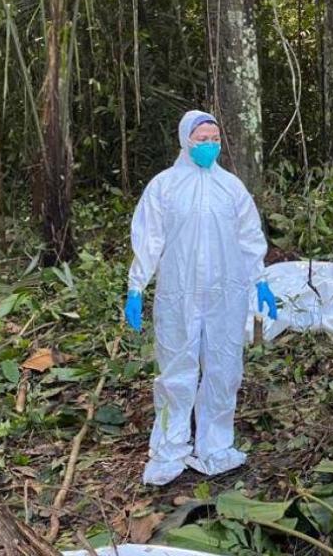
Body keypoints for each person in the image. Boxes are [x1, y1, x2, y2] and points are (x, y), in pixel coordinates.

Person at [123, 110, 279, 486]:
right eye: (201, 138)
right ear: (184, 140)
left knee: (224, 369)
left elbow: (249, 237)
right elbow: (149, 238)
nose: (209, 144)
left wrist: (260, 281)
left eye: (214, 138)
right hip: (179, 295)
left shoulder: (232, 188)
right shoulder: (164, 187)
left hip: (227, 294)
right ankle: (169, 448)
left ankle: (215, 445)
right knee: (177, 371)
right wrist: (136, 286)